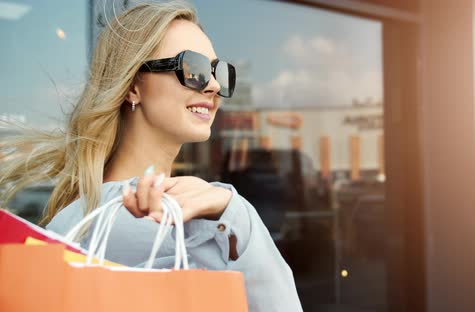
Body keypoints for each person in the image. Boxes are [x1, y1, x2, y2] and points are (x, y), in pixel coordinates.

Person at [0, 1, 302, 311]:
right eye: (193, 69)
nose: (212, 85)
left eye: (217, 72)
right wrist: (234, 211)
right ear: (133, 87)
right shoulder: (150, 224)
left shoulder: (71, 220)